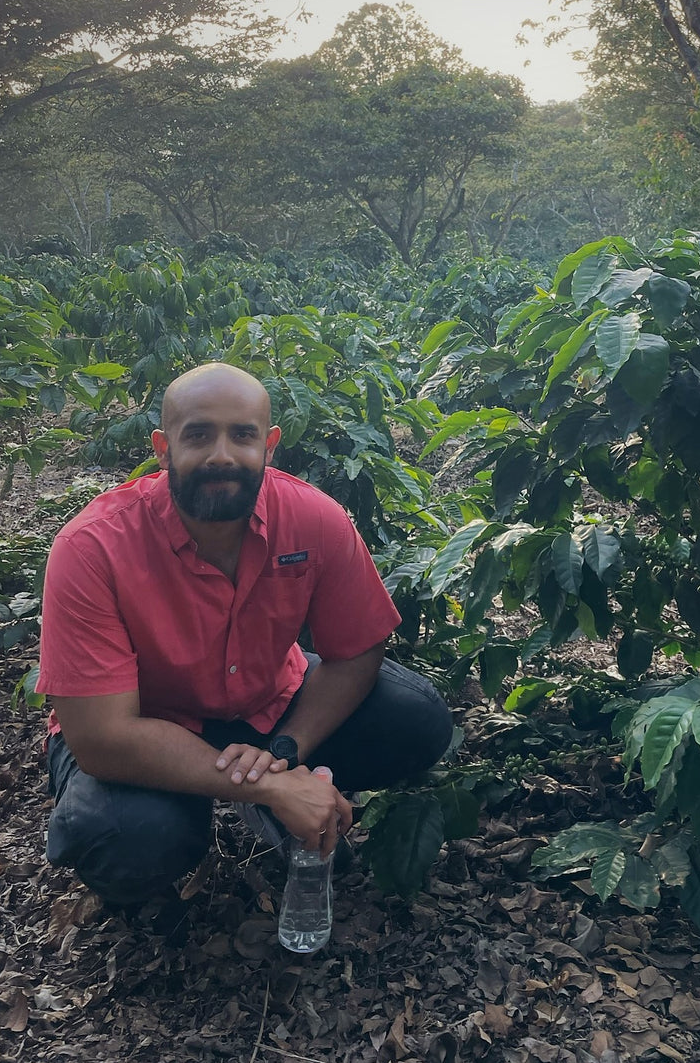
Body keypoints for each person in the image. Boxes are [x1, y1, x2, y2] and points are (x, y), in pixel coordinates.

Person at [37, 362, 453, 905]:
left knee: (417, 718)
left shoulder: (312, 519)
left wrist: (284, 753)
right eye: (199, 434)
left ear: (270, 445)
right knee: (123, 837)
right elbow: (102, 737)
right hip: (147, 727)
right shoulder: (93, 548)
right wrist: (273, 785)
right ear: (163, 448)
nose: (222, 456)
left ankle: (271, 793)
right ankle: (221, 815)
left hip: (265, 702)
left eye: (242, 435)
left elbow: (356, 653)